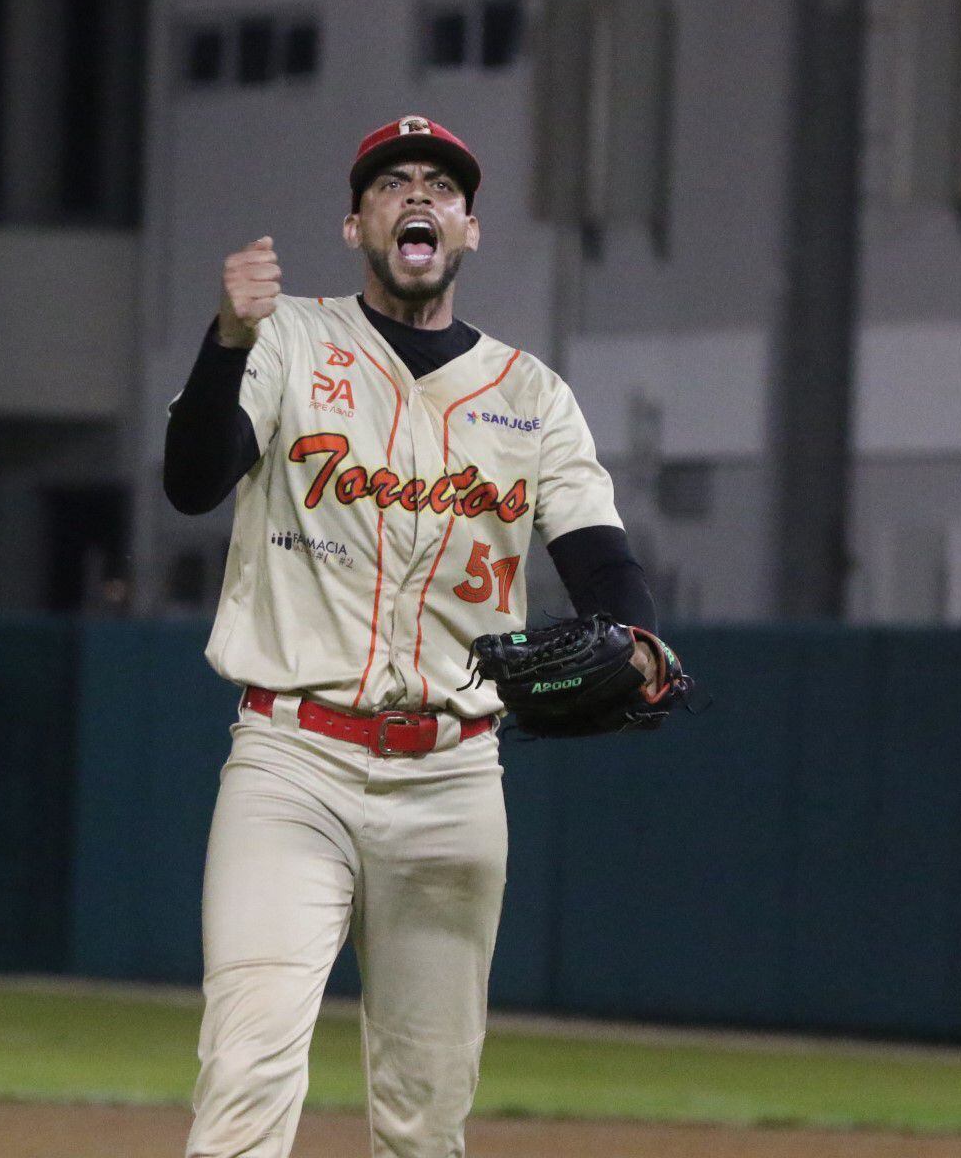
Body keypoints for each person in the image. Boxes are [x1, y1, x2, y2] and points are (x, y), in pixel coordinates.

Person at [163, 115, 669, 1157]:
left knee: (425, 1114)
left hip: (450, 778)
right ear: (358, 223)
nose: (418, 196)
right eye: (392, 183)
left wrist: (640, 635)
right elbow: (192, 478)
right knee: (247, 1068)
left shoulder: (531, 396)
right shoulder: (289, 340)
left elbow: (599, 558)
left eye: (440, 184)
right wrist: (226, 342)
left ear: (469, 229)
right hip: (291, 761)